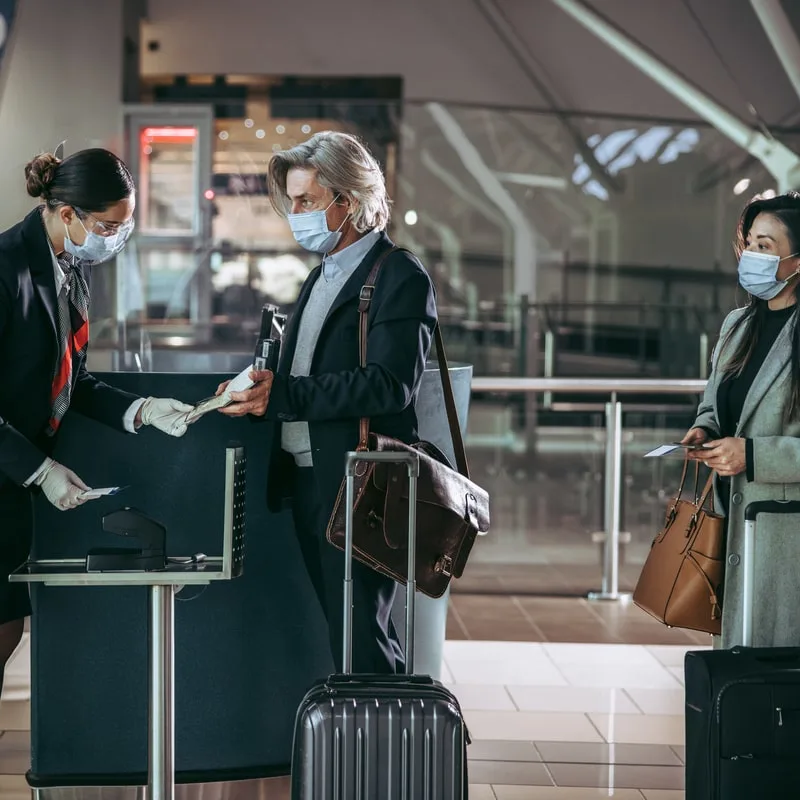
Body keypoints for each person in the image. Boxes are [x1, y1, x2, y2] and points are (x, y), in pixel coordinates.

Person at [218, 131, 437, 674]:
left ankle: (382, 754)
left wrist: (284, 395)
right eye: (292, 201)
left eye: (307, 201)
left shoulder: (398, 275)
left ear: (350, 200)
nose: (295, 214)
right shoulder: (322, 275)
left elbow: (390, 383)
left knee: (362, 632)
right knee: (346, 630)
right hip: (311, 477)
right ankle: (362, 748)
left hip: (356, 482)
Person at [0, 148, 195, 688]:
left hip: (8, 481)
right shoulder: (6, 268)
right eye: (109, 225)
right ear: (67, 214)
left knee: (7, 625)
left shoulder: (69, 266)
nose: (116, 237)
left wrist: (141, 410)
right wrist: (39, 470)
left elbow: (71, 379)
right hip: (10, 464)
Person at [681, 190, 800, 648]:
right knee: (739, 664)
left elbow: (754, 446)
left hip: (784, 539)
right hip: (735, 528)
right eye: (749, 242)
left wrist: (751, 454)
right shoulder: (737, 326)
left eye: (766, 246)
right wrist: (704, 429)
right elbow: (714, 403)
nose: (751, 255)